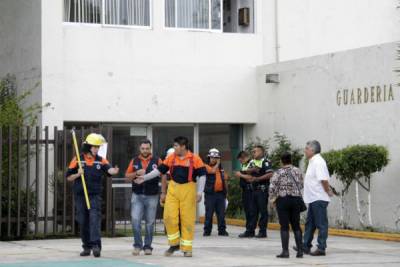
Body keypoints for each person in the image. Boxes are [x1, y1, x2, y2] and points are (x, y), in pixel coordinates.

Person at [134, 136, 206, 257]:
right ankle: (174, 245)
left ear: (183, 146)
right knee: (168, 217)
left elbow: (203, 176)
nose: (174, 148)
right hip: (173, 188)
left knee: (187, 219)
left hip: (188, 189)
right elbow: (158, 171)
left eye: (176, 146)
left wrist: (199, 192)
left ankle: (187, 248)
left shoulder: (195, 158)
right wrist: (144, 178)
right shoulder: (171, 158)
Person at [66, 133, 119, 258]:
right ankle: (86, 247)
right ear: (88, 147)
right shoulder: (78, 159)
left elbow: (109, 170)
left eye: (98, 147)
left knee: (94, 219)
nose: (96, 149)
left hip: (95, 195)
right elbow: (68, 177)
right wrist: (78, 174)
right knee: (83, 221)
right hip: (81, 195)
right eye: (94, 147)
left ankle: (96, 246)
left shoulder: (101, 160)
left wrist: (114, 171)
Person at [125, 139, 163, 256]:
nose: (145, 150)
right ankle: (137, 245)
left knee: (150, 223)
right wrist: (136, 173)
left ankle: (148, 247)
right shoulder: (134, 160)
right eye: (143, 148)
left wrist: (164, 192)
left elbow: (164, 175)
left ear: (150, 148)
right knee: (135, 220)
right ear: (139, 149)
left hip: (152, 195)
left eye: (147, 148)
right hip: (137, 195)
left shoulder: (157, 160)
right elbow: (127, 177)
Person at [296, 140, 333, 256]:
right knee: (310, 224)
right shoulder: (312, 161)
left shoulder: (318, 162)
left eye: (306, 148)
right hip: (313, 198)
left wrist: (328, 191)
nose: (305, 151)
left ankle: (321, 248)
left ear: (312, 150)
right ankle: (305, 246)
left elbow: (323, 180)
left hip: (319, 198)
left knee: (321, 224)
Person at [269, 152, 304, 258]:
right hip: (296, 200)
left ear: (281, 161)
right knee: (296, 226)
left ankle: (285, 252)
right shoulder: (298, 171)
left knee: (284, 227)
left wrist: (272, 200)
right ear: (291, 160)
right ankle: (300, 251)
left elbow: (272, 188)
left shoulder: (278, 172)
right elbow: (302, 184)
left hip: (283, 200)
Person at [247, 145, 274, 238]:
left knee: (263, 211)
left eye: (256, 151)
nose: (253, 153)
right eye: (253, 151)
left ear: (261, 152)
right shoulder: (252, 161)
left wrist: (257, 179)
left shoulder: (265, 162)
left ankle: (262, 232)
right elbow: (246, 171)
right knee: (252, 211)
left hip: (262, 190)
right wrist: (251, 171)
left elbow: (270, 174)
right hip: (252, 190)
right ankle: (250, 231)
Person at [203, 148, 229, 237]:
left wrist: (226, 193)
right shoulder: (206, 166)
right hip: (210, 194)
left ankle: (222, 230)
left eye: (216, 158)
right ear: (209, 158)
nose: (214, 159)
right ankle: (207, 231)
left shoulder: (221, 169)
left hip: (221, 194)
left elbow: (225, 180)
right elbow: (212, 171)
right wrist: (217, 163)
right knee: (209, 213)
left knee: (221, 214)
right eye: (212, 158)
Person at [234, 151, 256, 238]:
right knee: (247, 211)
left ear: (244, 157)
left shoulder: (251, 164)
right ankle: (249, 230)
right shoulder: (245, 164)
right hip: (245, 191)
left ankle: (250, 231)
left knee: (250, 211)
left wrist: (240, 175)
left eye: (240, 160)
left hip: (250, 191)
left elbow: (251, 177)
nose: (240, 162)